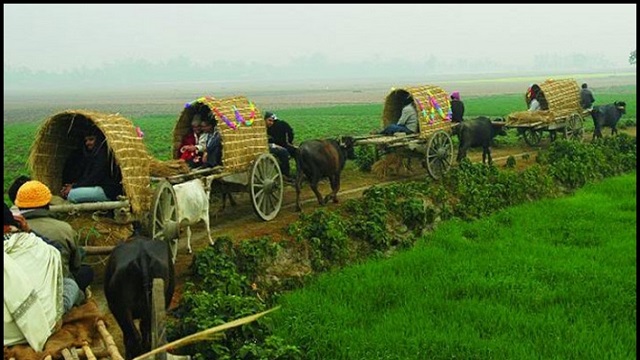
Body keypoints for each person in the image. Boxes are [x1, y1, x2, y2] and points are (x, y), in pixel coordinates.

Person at [15, 180, 94, 298]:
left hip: (21, 286)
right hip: (57, 287)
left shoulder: (12, 231)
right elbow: (75, 264)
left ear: (18, 205)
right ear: (48, 204)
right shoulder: (64, 229)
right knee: (85, 272)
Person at [4, 202, 64, 351]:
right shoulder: (35, 244)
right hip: (43, 324)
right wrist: (29, 231)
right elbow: (59, 252)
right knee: (71, 285)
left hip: (7, 335)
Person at [61, 125, 123, 203]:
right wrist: (72, 186)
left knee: (71, 195)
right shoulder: (91, 156)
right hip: (97, 187)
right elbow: (87, 177)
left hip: (107, 191)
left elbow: (94, 178)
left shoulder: (104, 155)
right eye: (86, 140)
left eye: (91, 139)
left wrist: (73, 187)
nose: (88, 143)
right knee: (69, 192)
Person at [264, 111, 296, 180]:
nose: (271, 123)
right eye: (269, 120)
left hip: (280, 144)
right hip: (270, 146)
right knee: (284, 152)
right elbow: (290, 132)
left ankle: (299, 171)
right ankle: (285, 174)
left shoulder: (274, 126)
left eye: (272, 121)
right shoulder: (263, 128)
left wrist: (290, 142)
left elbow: (290, 132)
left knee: (295, 151)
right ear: (265, 119)